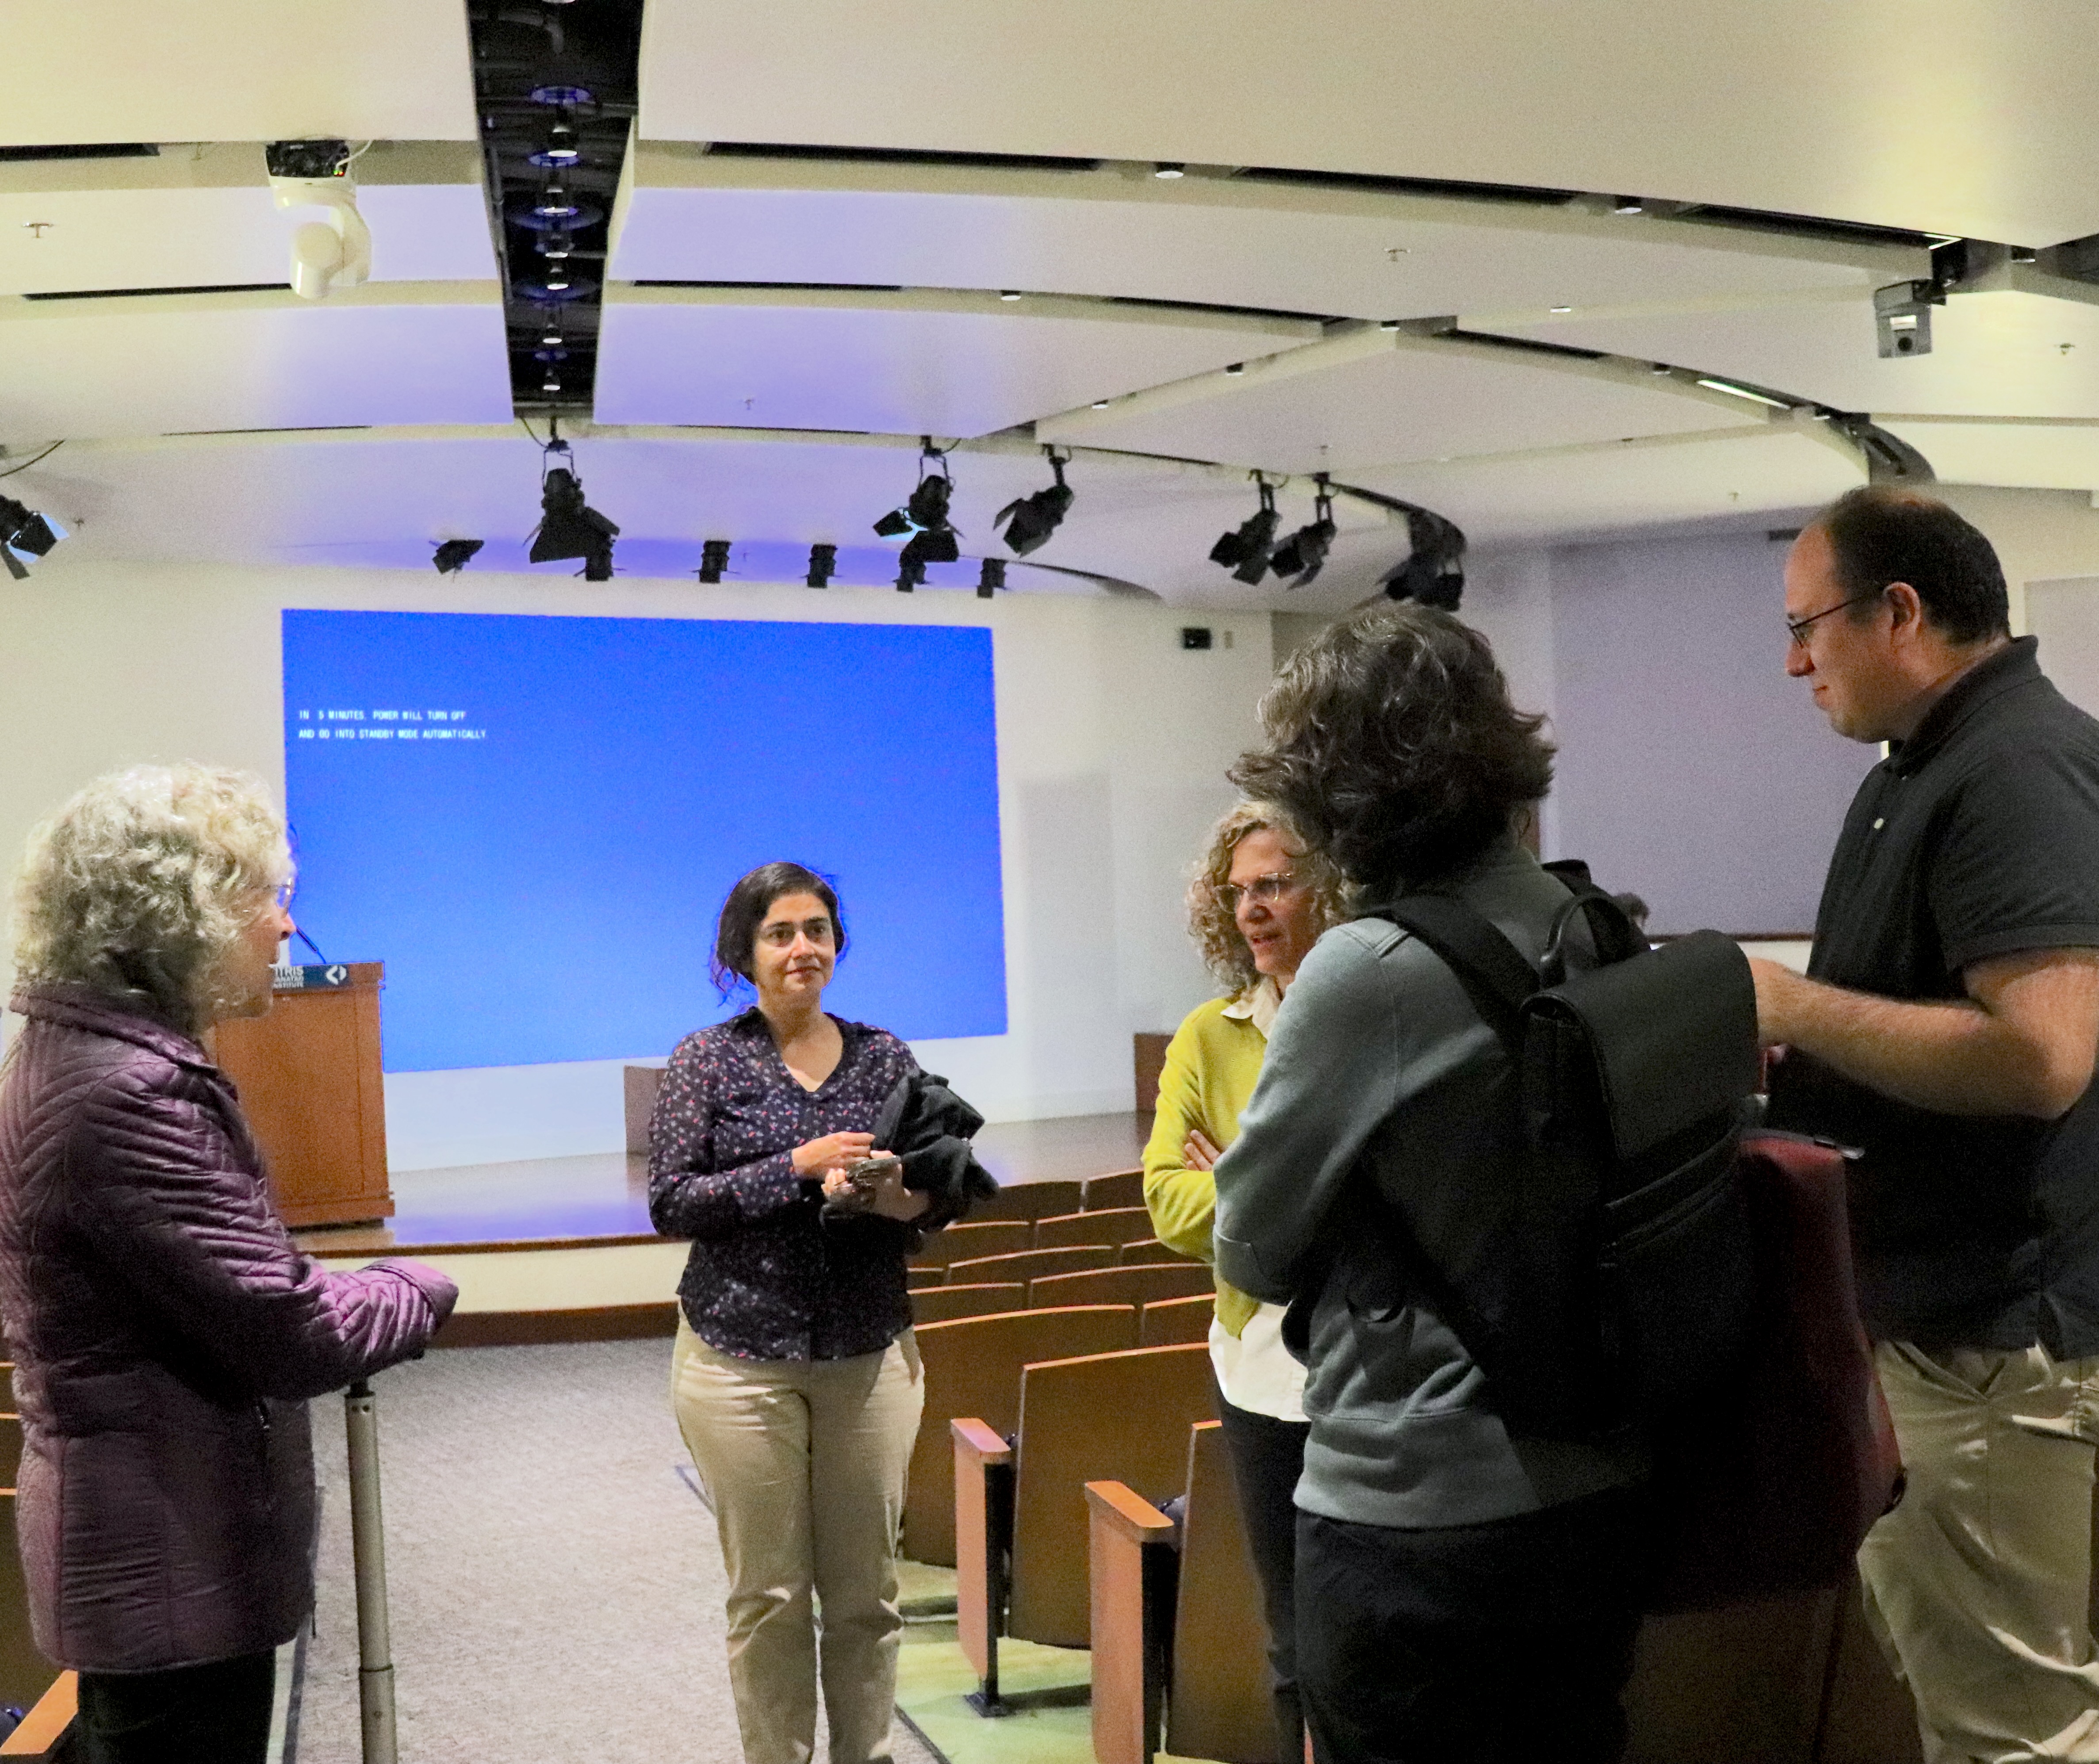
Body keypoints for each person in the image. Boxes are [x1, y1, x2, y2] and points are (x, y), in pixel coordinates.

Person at [1212, 602, 1651, 1764]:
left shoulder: (1368, 967)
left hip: (1417, 1509)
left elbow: (1248, 1250)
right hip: (1596, 1483)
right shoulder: (1590, 922)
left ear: (1340, 793)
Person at [0, 764, 457, 1764]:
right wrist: (417, 1286)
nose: (284, 929)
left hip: (148, 1551)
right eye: (265, 900)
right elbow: (303, 1336)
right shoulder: (130, 1091)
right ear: (182, 917)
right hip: (165, 1565)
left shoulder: (73, 1055)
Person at [1756, 486, 2099, 1762]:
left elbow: (2043, 1050)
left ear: (1899, 611)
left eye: (1808, 627)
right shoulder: (1934, 763)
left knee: (2016, 1732)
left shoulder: (2012, 765)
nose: (1796, 661)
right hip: (1953, 1334)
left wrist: (1791, 1000)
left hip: (1994, 1349)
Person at [650, 862, 982, 1764]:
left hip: (868, 1352)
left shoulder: (884, 1057)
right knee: (770, 1597)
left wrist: (888, 1196)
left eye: (817, 930)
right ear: (744, 953)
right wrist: (793, 1167)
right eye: (781, 933)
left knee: (868, 1595)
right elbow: (672, 1202)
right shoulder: (704, 1061)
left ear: (838, 944)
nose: (803, 948)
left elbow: (933, 1200)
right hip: (737, 1359)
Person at [1143, 801, 1348, 1759]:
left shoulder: (1368, 1014)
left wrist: (1236, 1177)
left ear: (1331, 885)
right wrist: (1263, 1193)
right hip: (1261, 1371)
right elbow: (1164, 1202)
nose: (1252, 910)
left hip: (1372, 1360)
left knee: (1372, 1635)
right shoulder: (1208, 1037)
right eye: (1237, 894)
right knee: (1294, 1636)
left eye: (1274, 884)